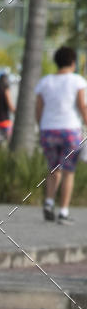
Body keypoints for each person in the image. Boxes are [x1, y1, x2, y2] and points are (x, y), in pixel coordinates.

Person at [35, 45, 87, 225]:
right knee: (69, 172)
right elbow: (82, 106)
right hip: (70, 130)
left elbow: (38, 109)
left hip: (48, 130)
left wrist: (42, 127)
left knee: (53, 168)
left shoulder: (45, 81)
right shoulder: (77, 81)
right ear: (73, 62)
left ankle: (49, 202)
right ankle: (63, 212)